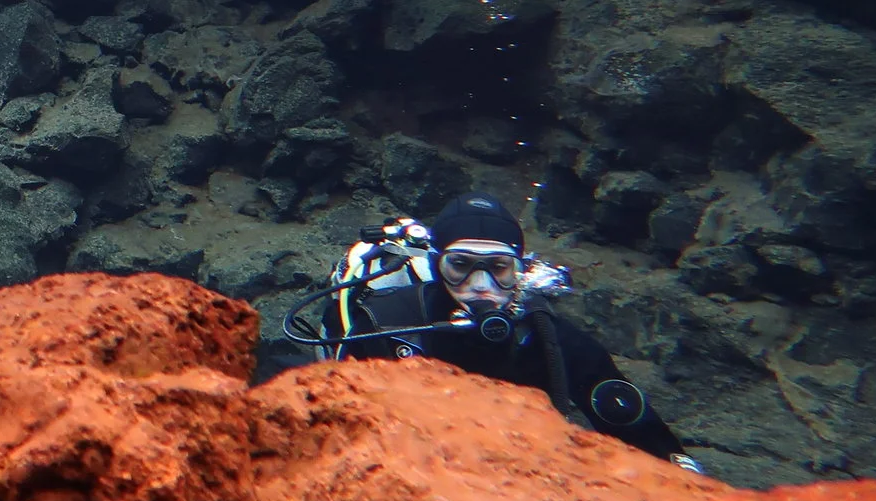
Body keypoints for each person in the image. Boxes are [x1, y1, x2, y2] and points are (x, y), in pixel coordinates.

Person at [265, 193, 702, 469]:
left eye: (498, 269)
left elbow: (640, 431)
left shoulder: (553, 341)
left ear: (520, 270)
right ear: (437, 264)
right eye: (460, 266)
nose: (480, 287)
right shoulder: (391, 325)